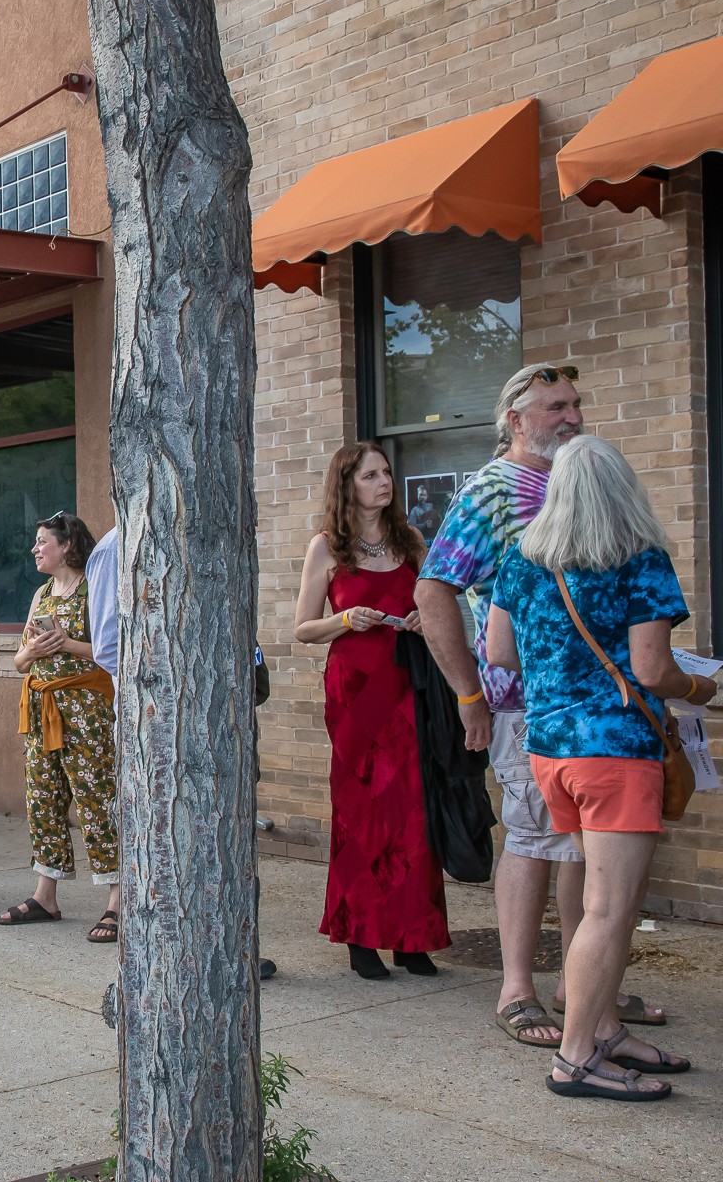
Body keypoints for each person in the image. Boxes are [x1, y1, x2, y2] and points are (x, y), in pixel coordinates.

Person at [412, 364, 659, 1046]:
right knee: (532, 840)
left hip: (592, 711)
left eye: (576, 404)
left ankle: (584, 986)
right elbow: (433, 590)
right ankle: (516, 988)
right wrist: (469, 694)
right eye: (556, 407)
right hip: (527, 708)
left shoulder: (573, 481)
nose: (572, 416)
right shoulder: (492, 491)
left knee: (580, 849)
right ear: (516, 420)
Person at [485, 435, 708, 1100]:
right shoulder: (640, 559)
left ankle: (605, 1031)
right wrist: (701, 688)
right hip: (614, 754)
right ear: (622, 488)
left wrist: (565, 672)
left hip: (550, 749)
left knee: (605, 903)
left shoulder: (522, 559)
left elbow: (499, 652)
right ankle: (576, 1058)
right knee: (611, 910)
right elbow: (653, 669)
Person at [294, 443, 450, 978]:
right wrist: (346, 619)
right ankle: (360, 936)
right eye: (370, 475)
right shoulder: (327, 547)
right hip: (356, 692)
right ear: (347, 485)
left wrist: (424, 620)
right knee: (361, 811)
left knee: (412, 809)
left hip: (407, 685)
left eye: (386, 472)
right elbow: (303, 628)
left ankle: (412, 938)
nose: (384, 482)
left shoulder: (412, 541)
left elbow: (439, 608)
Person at [0, 513, 122, 940]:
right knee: (42, 799)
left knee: (97, 800)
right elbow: (19, 662)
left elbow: (114, 650)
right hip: (42, 711)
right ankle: (45, 896)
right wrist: (33, 650)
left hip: (87, 711)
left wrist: (67, 643)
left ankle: (118, 899)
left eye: (42, 541)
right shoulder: (42, 594)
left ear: (66, 544)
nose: (35, 549)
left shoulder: (95, 585)